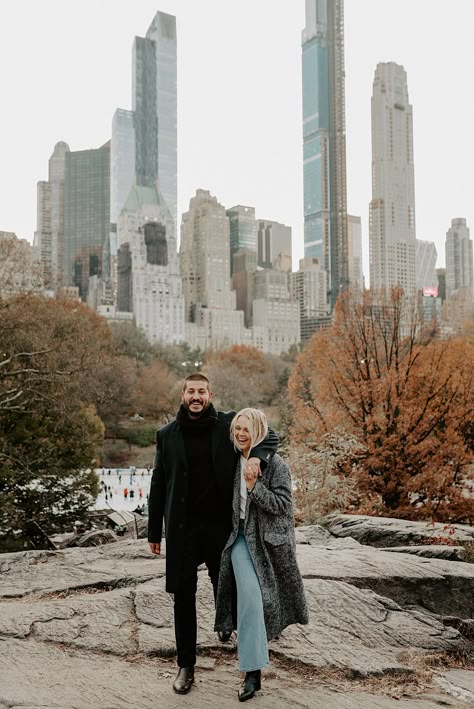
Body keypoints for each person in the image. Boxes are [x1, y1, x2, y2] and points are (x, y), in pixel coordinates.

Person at [148, 373, 278, 696]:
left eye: (201, 391)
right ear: (182, 394)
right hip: (182, 530)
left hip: (222, 528)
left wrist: (257, 461)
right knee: (183, 597)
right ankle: (186, 665)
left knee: (233, 591)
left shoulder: (227, 423)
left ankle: (238, 648)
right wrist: (154, 529)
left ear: (210, 393)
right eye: (190, 391)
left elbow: (270, 435)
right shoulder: (166, 435)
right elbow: (158, 482)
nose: (196, 396)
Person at [215, 408, 308, 702]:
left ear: (258, 434)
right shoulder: (232, 458)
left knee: (262, 598)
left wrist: (255, 487)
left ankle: (251, 666)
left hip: (267, 543)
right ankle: (253, 670)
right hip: (240, 537)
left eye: (247, 429)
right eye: (238, 428)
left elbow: (282, 505)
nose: (241, 434)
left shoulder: (275, 466)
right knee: (251, 597)